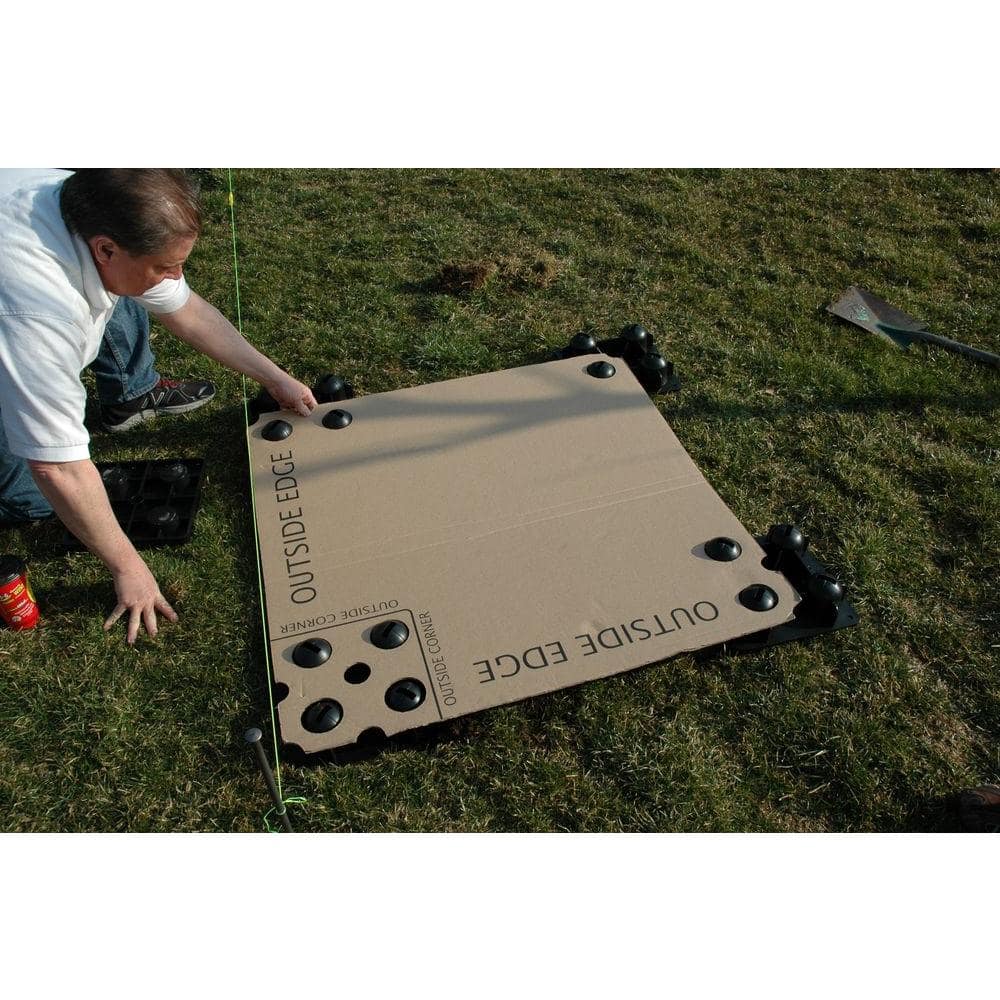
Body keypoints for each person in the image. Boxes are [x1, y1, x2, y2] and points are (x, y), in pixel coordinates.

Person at [0, 169, 317, 644]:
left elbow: (185, 309)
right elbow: (57, 467)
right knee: (30, 497)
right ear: (106, 250)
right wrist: (128, 567)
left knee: (130, 289)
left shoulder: (92, 212)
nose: (176, 276)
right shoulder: (38, 315)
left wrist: (275, 379)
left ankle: (128, 395)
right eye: (166, 266)